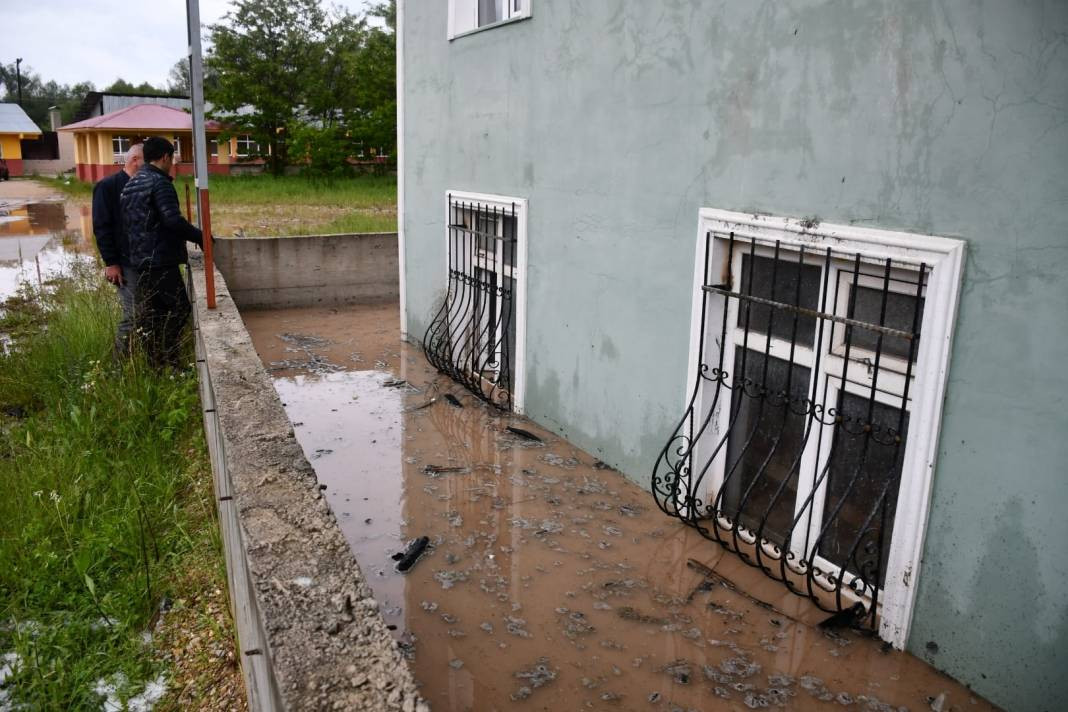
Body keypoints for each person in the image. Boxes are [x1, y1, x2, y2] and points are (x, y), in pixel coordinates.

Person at [120, 137, 203, 368]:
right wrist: (201, 237)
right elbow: (172, 220)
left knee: (154, 315)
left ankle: (155, 364)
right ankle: (171, 359)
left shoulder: (131, 184)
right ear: (165, 157)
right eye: (172, 158)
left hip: (139, 260)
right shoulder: (160, 183)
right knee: (180, 308)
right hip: (160, 259)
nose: (173, 163)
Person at [92, 143, 144, 357]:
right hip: (123, 263)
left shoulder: (143, 184)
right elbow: (101, 227)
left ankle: (141, 357)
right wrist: (111, 263)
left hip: (142, 260)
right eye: (147, 160)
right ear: (135, 160)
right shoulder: (108, 186)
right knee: (131, 314)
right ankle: (119, 364)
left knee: (144, 312)